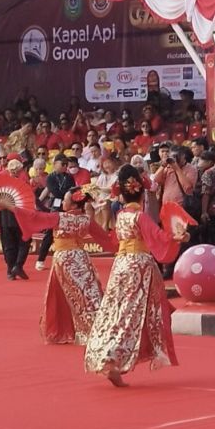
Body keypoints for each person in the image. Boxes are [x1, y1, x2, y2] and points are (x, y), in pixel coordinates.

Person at [84, 164, 180, 387]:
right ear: (141, 191)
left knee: (116, 310)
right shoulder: (140, 216)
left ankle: (106, 349)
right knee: (136, 313)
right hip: (140, 266)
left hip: (121, 265)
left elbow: (116, 241)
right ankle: (114, 356)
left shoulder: (121, 216)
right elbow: (159, 238)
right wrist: (177, 237)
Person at [3, 189, 115, 344]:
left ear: (74, 203)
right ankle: (96, 326)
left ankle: (80, 329)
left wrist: (11, 207)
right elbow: (105, 239)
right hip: (82, 259)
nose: (62, 202)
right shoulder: (86, 220)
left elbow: (34, 217)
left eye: (66, 199)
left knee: (67, 295)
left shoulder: (59, 217)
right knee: (87, 293)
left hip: (65, 260)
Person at [35, 154, 77, 270]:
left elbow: (73, 190)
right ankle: (40, 259)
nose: (65, 166)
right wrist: (66, 194)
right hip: (56, 206)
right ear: (55, 164)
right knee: (49, 234)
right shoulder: (50, 178)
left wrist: (68, 196)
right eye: (62, 164)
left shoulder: (69, 177)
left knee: (70, 231)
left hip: (68, 206)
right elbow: (56, 192)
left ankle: (70, 259)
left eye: (66, 164)